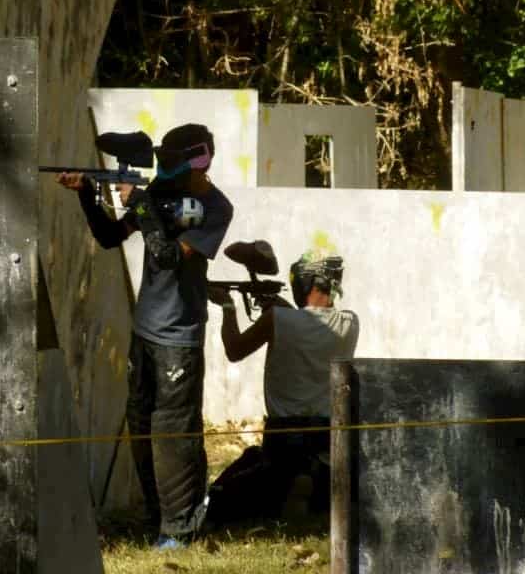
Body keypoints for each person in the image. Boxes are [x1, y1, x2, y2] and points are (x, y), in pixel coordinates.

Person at [56, 123, 233, 550]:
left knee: (174, 433)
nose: (164, 169)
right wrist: (87, 194)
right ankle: (159, 520)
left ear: (197, 161)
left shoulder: (214, 208)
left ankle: (181, 528)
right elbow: (108, 237)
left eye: (172, 161)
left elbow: (168, 255)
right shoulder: (158, 195)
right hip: (145, 332)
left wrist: (140, 204)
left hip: (179, 338)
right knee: (142, 426)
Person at [203, 246, 359, 525]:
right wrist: (275, 305)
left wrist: (228, 307)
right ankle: (310, 479)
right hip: (328, 436)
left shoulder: (277, 320)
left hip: (284, 437)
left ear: (308, 283)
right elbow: (308, 322)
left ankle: (291, 482)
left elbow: (235, 350)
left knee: (225, 494)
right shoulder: (349, 324)